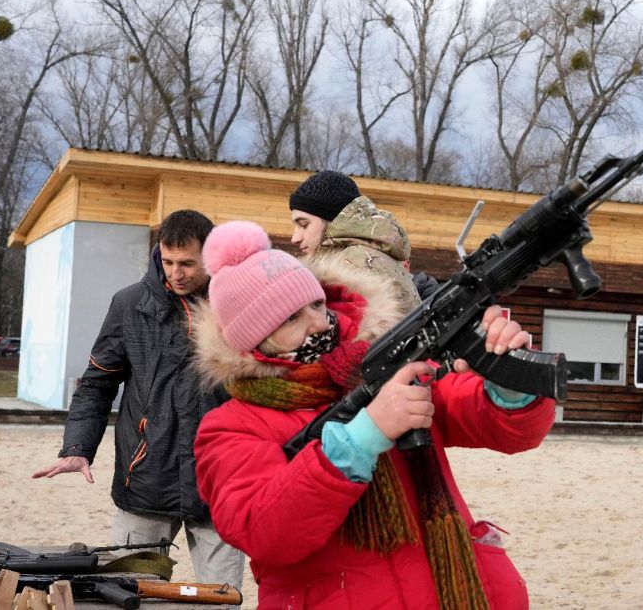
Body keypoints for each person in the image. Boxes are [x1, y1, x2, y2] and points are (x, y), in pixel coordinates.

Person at [191, 220, 554, 609]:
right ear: (254, 341)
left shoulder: (381, 365)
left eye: (316, 303)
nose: (320, 321)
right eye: (291, 319)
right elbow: (263, 532)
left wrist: (507, 379)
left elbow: (501, 426)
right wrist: (359, 439)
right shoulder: (229, 426)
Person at [32, 209, 245, 589]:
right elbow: (97, 384)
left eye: (187, 264)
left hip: (220, 484)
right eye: (168, 261)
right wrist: (78, 446)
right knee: (127, 593)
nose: (176, 273)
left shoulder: (243, 306)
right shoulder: (129, 305)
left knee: (224, 599)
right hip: (145, 478)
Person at [288, 169, 440, 308]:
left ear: (334, 220)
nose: (295, 238)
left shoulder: (354, 266)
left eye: (304, 225)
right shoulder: (368, 256)